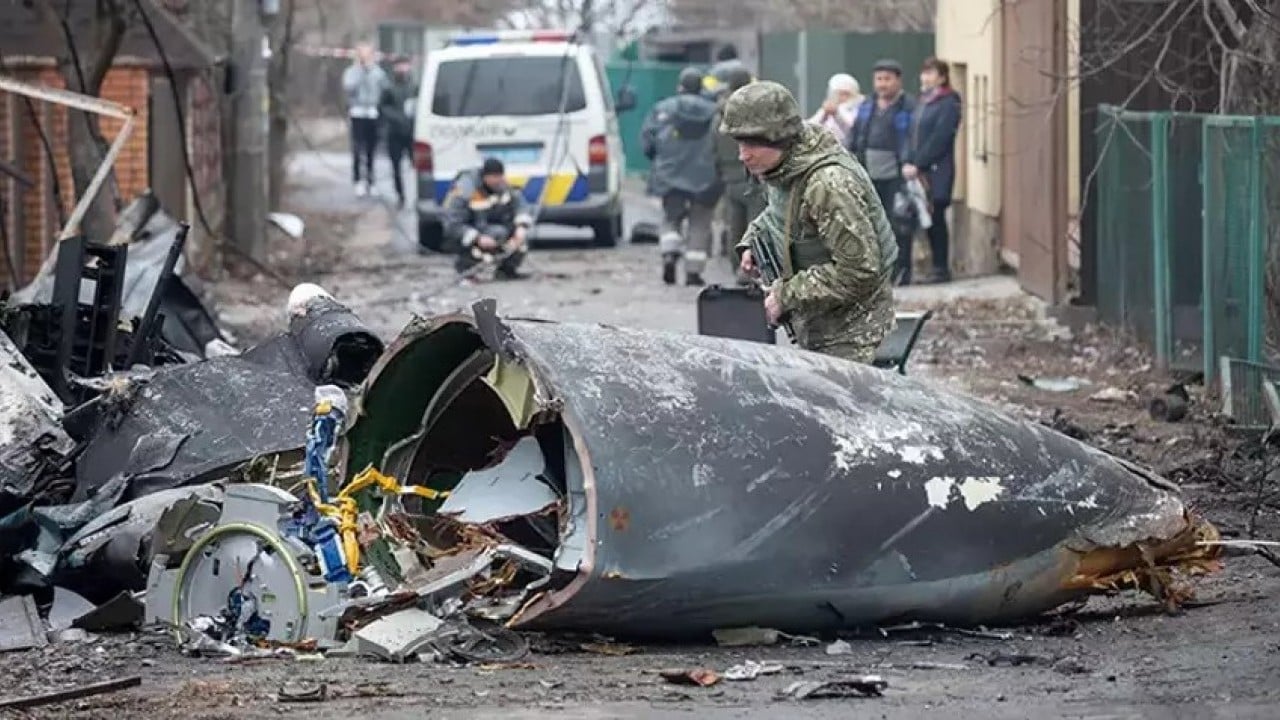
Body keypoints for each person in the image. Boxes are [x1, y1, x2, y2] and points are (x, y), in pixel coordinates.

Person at [720, 81, 897, 364]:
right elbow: (783, 213)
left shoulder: (828, 184)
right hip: (820, 329)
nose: (743, 154)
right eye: (739, 143)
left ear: (778, 137)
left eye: (752, 143)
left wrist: (785, 295)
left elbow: (860, 271)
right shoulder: (786, 167)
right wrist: (753, 240)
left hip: (853, 337)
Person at [641, 67, 723, 286]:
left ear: (680, 86)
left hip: (670, 174)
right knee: (700, 223)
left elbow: (648, 140)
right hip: (705, 177)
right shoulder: (715, 112)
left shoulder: (663, 109)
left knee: (671, 218)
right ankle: (693, 272)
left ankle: (669, 252)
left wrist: (659, 161)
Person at [845, 59, 917, 285]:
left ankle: (901, 271)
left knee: (899, 224)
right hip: (869, 173)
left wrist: (911, 162)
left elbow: (915, 139)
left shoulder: (909, 107)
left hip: (898, 174)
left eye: (887, 79)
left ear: (898, 81)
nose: (882, 85)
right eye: (879, 79)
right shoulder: (867, 106)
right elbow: (856, 137)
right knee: (872, 224)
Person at [903, 57, 962, 284]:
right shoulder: (923, 101)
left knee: (936, 217)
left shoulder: (949, 101)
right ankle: (930, 266)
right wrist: (909, 160)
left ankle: (940, 268)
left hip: (937, 170)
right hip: (917, 170)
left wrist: (919, 162)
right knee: (924, 218)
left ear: (942, 77)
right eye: (924, 73)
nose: (925, 78)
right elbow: (912, 134)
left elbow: (941, 136)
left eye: (931, 73)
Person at [713, 65, 765, 282]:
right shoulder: (755, 112)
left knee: (734, 223)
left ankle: (737, 267)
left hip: (729, 175)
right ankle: (752, 268)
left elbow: (712, 145)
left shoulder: (720, 115)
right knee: (756, 223)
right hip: (753, 175)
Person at [442, 158, 532, 280]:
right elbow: (452, 224)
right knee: (491, 237)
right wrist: (477, 238)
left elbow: (520, 204)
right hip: (472, 233)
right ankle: (466, 270)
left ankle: (506, 270)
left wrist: (521, 227)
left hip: (495, 229)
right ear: (485, 176)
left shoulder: (503, 186)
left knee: (520, 240)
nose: (498, 181)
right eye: (494, 177)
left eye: (500, 176)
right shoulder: (465, 190)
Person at [342, 43, 388, 198]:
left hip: (372, 113)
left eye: (367, 55)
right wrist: (361, 73)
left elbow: (384, 89)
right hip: (358, 112)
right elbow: (348, 87)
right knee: (357, 149)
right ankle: (358, 181)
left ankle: (371, 180)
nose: (365, 58)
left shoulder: (378, 73)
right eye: (362, 55)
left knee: (371, 150)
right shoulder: (351, 72)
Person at [378, 58, 417, 210]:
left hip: (412, 133)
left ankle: (418, 196)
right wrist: (396, 118)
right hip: (394, 132)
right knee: (396, 167)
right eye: (399, 66)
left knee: (417, 167)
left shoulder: (414, 87)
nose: (402, 69)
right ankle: (401, 195)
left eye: (404, 65)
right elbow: (382, 108)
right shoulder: (388, 88)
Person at [809, 73, 862, 145]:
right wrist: (824, 115)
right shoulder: (827, 109)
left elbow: (853, 130)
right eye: (839, 94)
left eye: (846, 94)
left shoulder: (859, 109)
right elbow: (810, 127)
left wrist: (837, 114)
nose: (842, 97)